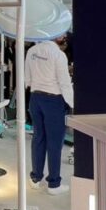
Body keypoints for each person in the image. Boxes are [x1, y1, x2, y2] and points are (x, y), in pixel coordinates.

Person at [25, 34, 74, 194]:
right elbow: (64, 83)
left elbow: (27, 78)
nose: (64, 36)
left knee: (38, 138)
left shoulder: (32, 51)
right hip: (54, 100)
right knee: (54, 143)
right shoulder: (58, 55)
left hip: (35, 98)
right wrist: (73, 104)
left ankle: (36, 178)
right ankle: (54, 184)